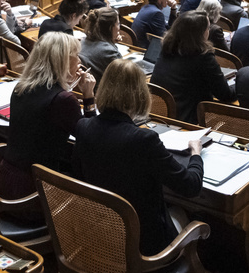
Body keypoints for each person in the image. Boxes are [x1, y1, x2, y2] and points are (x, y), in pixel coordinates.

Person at [71, 60, 204, 256]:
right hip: (145, 250)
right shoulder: (144, 139)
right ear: (139, 94)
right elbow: (191, 186)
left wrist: (89, 100)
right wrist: (196, 155)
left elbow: (92, 126)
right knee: (185, 214)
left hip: (101, 236)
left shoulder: (83, 128)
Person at [0, 33, 96, 201]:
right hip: (35, 193)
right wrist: (88, 96)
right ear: (62, 60)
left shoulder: (21, 87)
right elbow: (92, 139)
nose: (80, 61)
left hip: (5, 180)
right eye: (76, 56)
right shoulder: (63, 100)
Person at [150, 11, 234, 124]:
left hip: (160, 115)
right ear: (201, 33)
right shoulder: (203, 56)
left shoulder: (166, 48)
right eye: (207, 28)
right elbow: (225, 95)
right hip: (189, 121)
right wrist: (240, 83)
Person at [79, 7, 122, 78]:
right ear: (110, 27)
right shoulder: (110, 52)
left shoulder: (82, 41)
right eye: (118, 24)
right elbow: (123, 78)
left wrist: (111, 42)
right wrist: (112, 46)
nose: (119, 28)